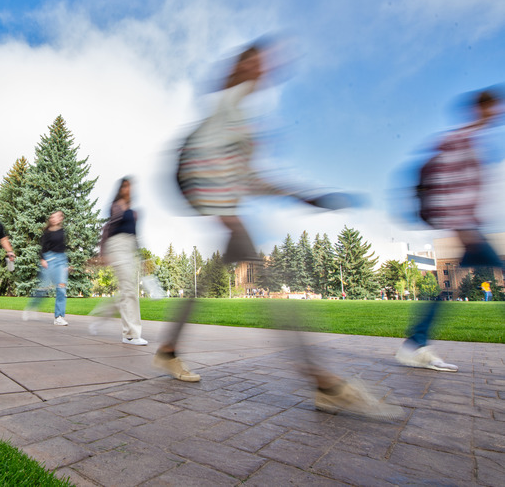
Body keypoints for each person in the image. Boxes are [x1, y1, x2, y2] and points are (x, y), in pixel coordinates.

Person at [158, 41, 398, 419]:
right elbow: (198, 160)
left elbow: (251, 178)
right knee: (267, 279)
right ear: (240, 68)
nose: (263, 70)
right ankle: (323, 382)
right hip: (207, 195)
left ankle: (168, 348)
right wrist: (223, 212)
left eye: (265, 65)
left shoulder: (244, 120)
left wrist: (301, 195)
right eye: (254, 63)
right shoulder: (227, 108)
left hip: (219, 200)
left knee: (213, 279)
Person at [396, 89, 503, 372]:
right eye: (496, 106)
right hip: (466, 227)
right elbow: (445, 186)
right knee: (461, 287)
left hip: (469, 226)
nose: (500, 112)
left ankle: (415, 343)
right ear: (484, 108)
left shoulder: (471, 141)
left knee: (448, 294)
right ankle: (414, 344)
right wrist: (460, 227)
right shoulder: (460, 140)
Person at [89, 178, 147, 345]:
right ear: (120, 189)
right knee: (129, 290)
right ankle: (130, 335)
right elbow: (107, 228)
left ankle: (100, 318)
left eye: (130, 186)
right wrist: (103, 253)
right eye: (125, 185)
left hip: (129, 249)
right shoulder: (116, 206)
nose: (128, 189)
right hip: (117, 246)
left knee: (126, 291)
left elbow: (136, 237)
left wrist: (142, 258)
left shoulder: (134, 211)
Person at [23, 210, 70, 326]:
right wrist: (42, 259)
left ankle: (59, 317)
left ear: (61, 219)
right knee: (44, 287)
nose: (54, 219)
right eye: (52, 217)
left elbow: (63, 247)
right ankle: (31, 307)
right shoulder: (47, 232)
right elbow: (42, 247)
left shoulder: (63, 231)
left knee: (61, 288)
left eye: (57, 217)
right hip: (49, 259)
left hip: (61, 260)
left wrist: (66, 264)